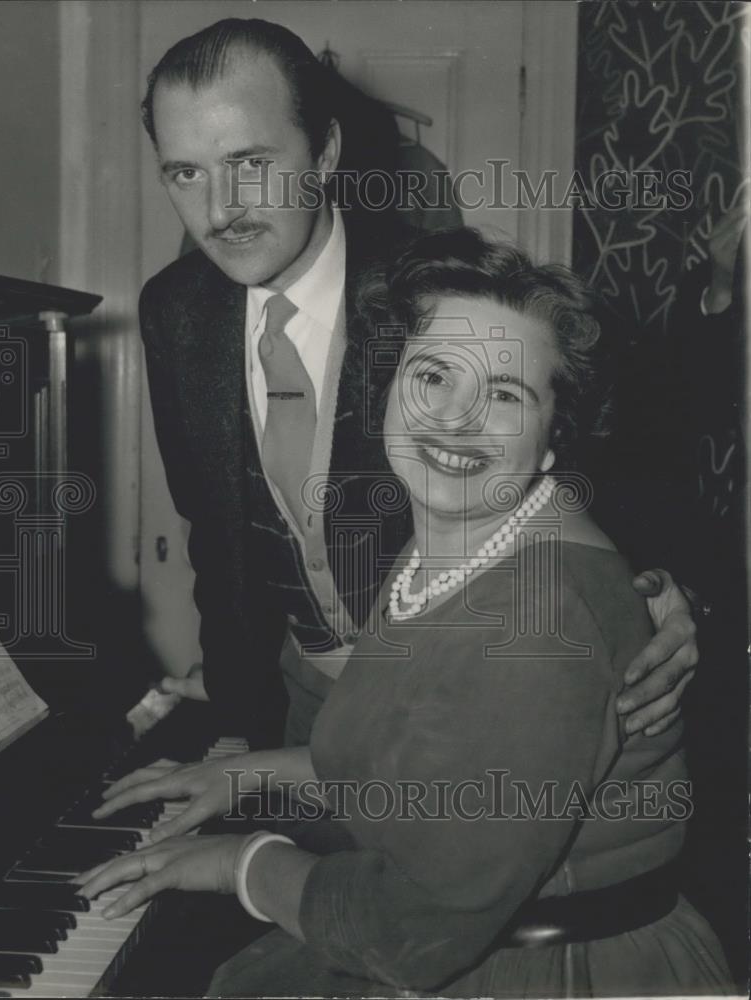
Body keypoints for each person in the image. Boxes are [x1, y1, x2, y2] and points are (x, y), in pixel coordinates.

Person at [79, 230, 730, 997]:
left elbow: (412, 930)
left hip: (549, 970)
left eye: (506, 394)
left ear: (554, 436)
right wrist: (242, 777)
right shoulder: (445, 545)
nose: (453, 419)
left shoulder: (539, 618)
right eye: (433, 376)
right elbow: (412, 772)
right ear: (388, 385)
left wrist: (235, 862)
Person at [138, 16, 696, 752]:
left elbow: (588, 461)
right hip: (296, 698)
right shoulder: (173, 309)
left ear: (325, 151)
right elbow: (215, 532)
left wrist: (673, 590)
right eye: (186, 171)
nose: (219, 211)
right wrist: (241, 721)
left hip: (461, 698)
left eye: (250, 163)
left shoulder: (437, 289)